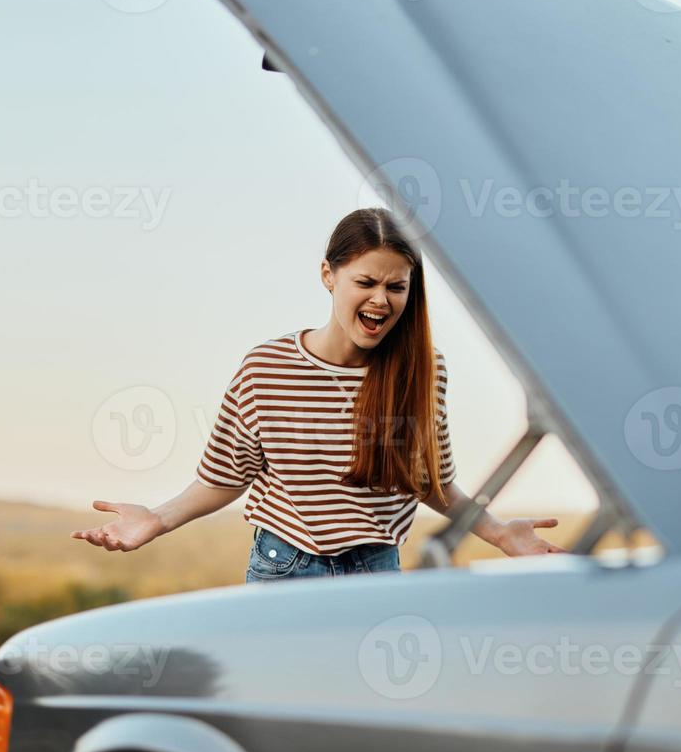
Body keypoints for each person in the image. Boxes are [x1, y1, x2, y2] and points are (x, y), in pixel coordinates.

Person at [72, 208, 565, 581]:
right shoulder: (266, 367)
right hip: (282, 566)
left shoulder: (423, 370)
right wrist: (155, 519)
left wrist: (498, 532)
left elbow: (427, 481)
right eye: (365, 281)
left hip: (375, 571)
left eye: (397, 286)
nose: (381, 299)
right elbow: (226, 477)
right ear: (329, 275)